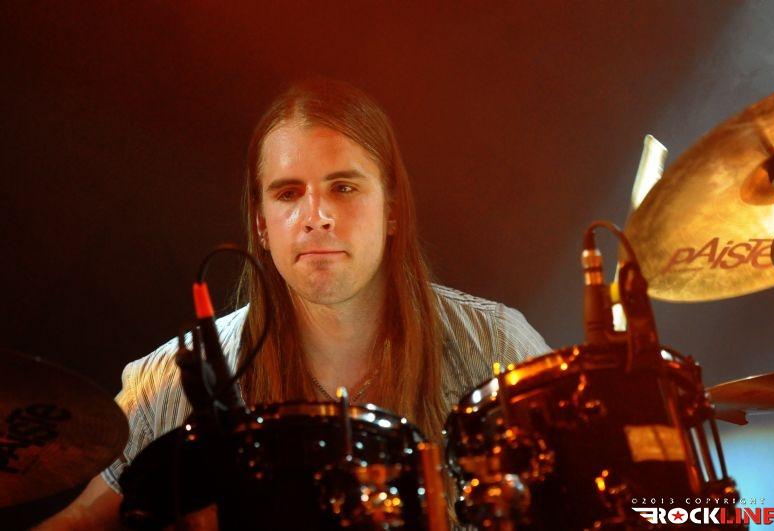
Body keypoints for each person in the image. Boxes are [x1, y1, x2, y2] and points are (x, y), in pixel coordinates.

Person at [36, 78, 549, 529]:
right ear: (261, 224)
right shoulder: (171, 381)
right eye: (287, 194)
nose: (316, 215)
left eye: (343, 187)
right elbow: (82, 521)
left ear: (392, 209)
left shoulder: (497, 348)